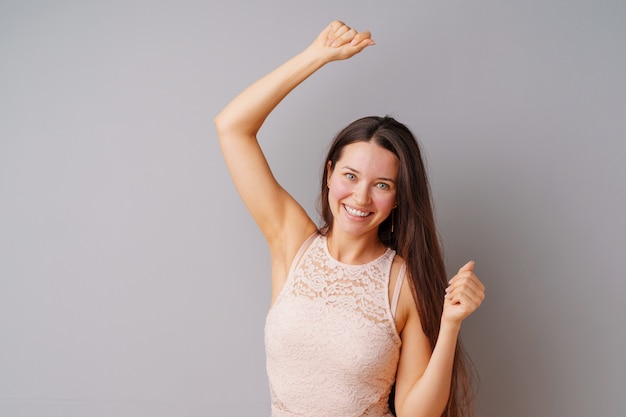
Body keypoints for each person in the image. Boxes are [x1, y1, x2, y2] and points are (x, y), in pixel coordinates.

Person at [215, 20, 485, 417]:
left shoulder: (402, 282)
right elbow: (231, 127)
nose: (360, 197)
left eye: (382, 185)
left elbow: (416, 413)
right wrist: (316, 56)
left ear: (398, 198)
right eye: (350, 176)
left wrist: (450, 324)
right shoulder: (293, 242)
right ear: (329, 175)